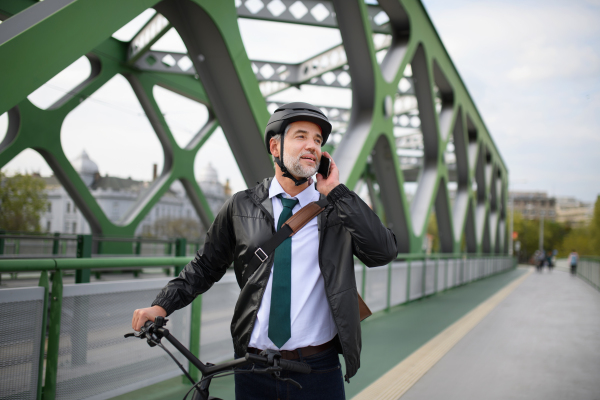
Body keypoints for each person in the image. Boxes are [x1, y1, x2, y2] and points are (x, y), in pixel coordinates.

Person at [131, 102, 398, 400]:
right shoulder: (240, 206)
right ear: (275, 146)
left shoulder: (337, 208)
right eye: (301, 136)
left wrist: (336, 191)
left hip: (318, 368)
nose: (312, 146)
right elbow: (205, 266)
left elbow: (383, 252)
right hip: (252, 366)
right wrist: (161, 305)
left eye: (318, 140)